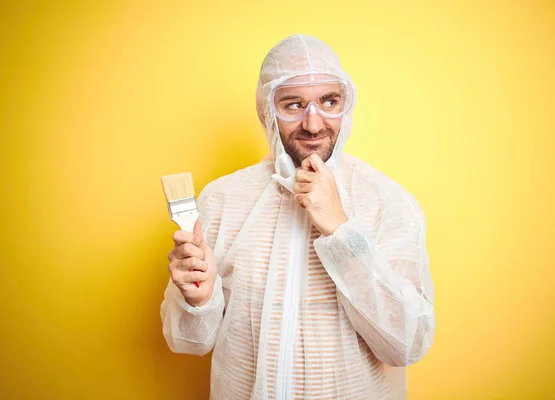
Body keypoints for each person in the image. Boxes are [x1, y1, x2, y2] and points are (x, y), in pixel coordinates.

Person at [160, 34, 435, 399]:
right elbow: (189, 343)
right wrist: (198, 299)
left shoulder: (388, 202)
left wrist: (340, 230)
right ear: (267, 110)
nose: (313, 123)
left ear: (345, 104)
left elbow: (407, 345)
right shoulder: (223, 199)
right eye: (294, 105)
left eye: (329, 101)